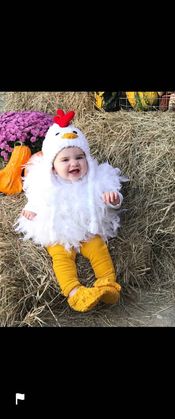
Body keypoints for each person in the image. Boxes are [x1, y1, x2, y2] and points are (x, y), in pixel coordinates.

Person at [15, 109, 126, 313]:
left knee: (99, 249)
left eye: (79, 157)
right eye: (65, 160)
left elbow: (112, 195)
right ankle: (75, 293)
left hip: (87, 229)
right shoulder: (47, 183)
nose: (74, 163)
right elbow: (37, 197)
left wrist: (114, 199)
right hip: (59, 231)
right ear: (53, 166)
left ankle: (108, 284)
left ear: (87, 159)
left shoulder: (95, 179)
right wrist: (31, 210)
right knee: (61, 257)